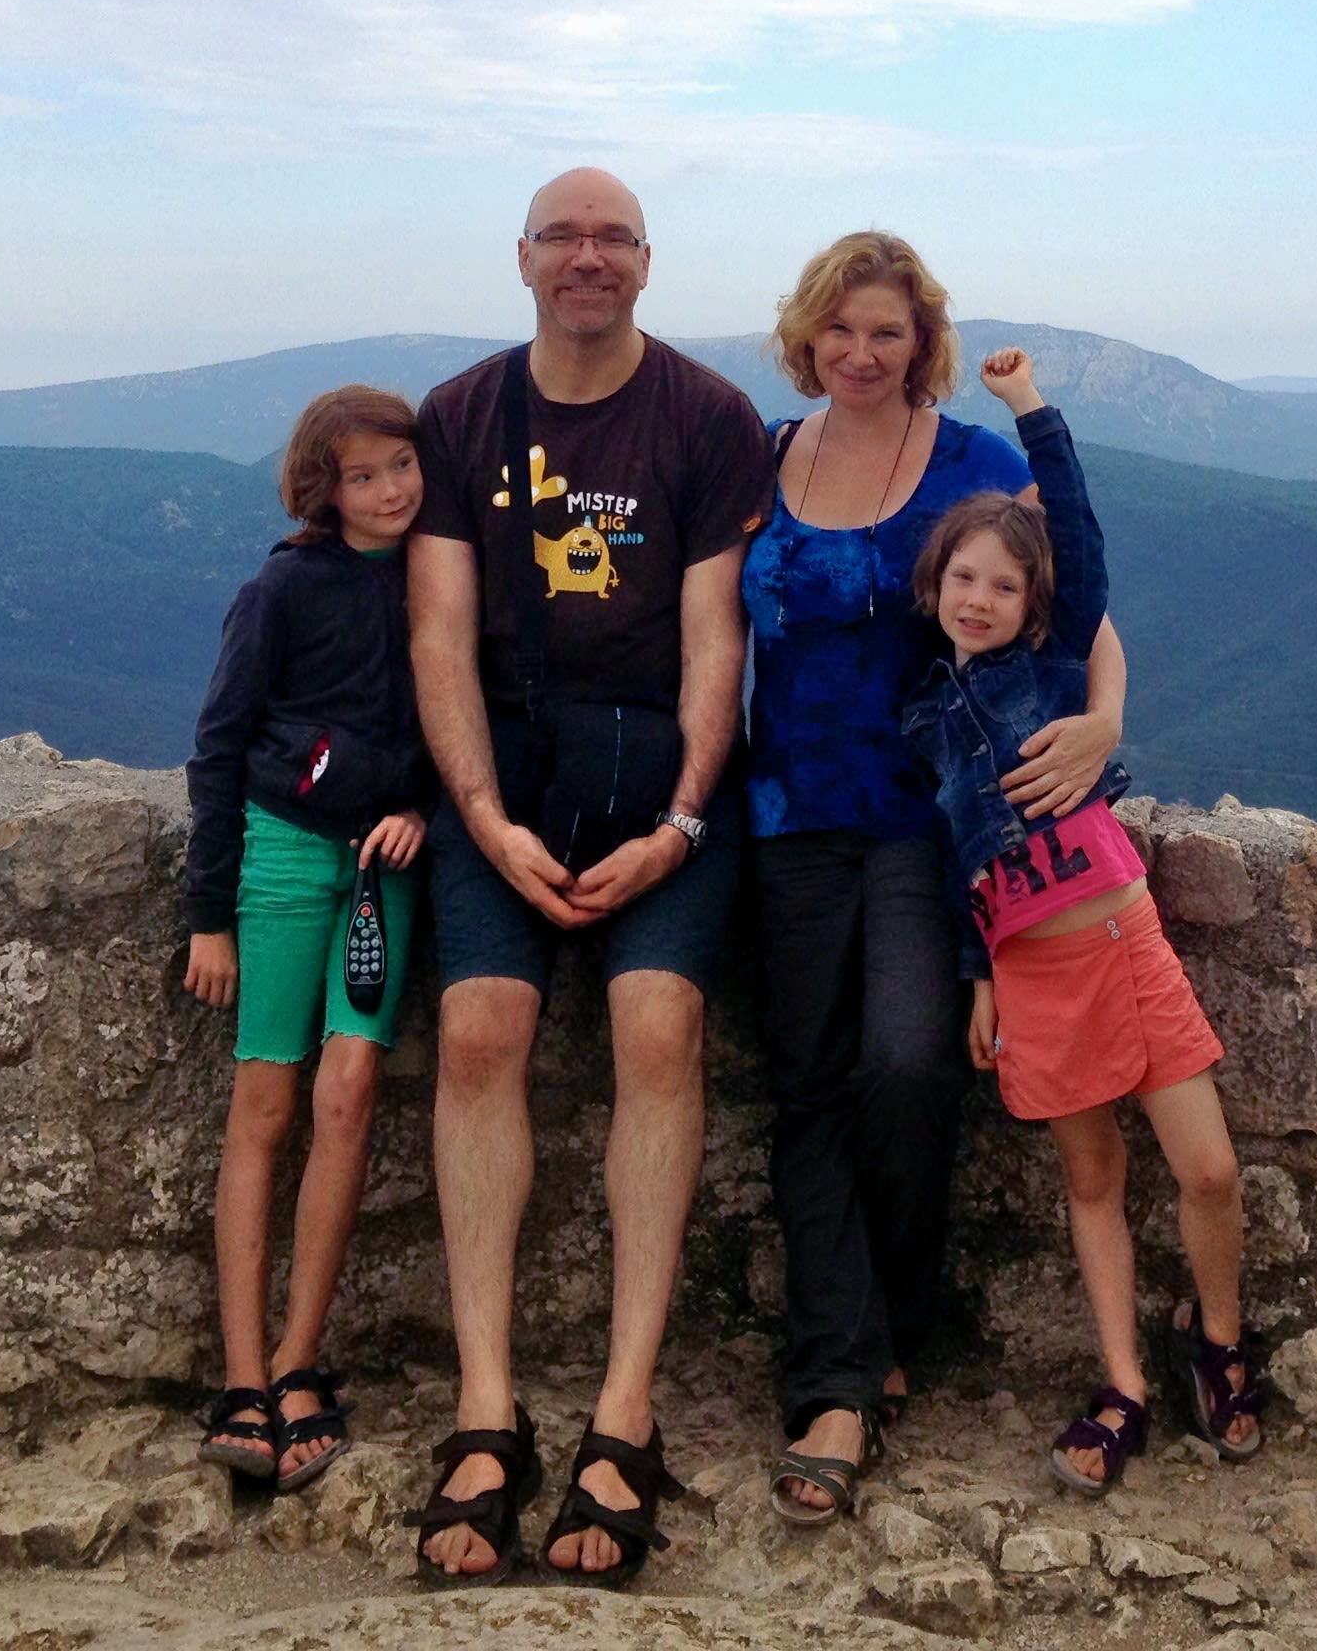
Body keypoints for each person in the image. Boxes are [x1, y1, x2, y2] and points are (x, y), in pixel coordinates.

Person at [403, 167, 772, 1587]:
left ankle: (627, 1408)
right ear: (521, 260)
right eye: (563, 236)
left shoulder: (704, 418)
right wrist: (484, 819)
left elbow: (713, 640)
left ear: (648, 263)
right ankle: (486, 1404)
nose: (587, 257)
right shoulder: (461, 418)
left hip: (657, 772)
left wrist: (681, 818)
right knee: (485, 1030)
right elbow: (438, 635)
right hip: (503, 761)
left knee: (657, 1028)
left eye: (612, 237)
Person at [744, 235, 1126, 1525]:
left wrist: (1101, 726)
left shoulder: (969, 463)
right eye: (841, 329)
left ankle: (893, 1314)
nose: (861, 351)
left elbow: (1076, 600)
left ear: (924, 346)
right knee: (806, 1088)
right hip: (787, 813)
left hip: (921, 824)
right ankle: (838, 1378)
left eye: (888, 333)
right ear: (810, 334)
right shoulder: (769, 459)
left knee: (909, 1064)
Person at [905, 349, 1264, 1498]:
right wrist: (980, 980)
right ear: (934, 586)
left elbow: (1079, 533)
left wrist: (1028, 409)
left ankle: (1220, 1342)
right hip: (1035, 973)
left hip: (1126, 946)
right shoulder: (926, 719)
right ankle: (1125, 1386)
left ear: (1032, 603)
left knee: (1205, 1171)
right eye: (963, 579)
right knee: (1093, 1177)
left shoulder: (1055, 673)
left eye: (1004, 587)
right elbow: (962, 862)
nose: (980, 599)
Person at [178, 384, 437, 1494]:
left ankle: (299, 1363)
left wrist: (422, 801)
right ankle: (242, 1374)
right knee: (267, 1098)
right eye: (363, 476)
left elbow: (465, 713)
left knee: (347, 1094)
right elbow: (221, 743)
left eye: (401, 468)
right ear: (321, 489)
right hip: (284, 855)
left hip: (389, 866)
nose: (389, 492)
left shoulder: (446, 576)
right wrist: (208, 915)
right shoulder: (281, 588)